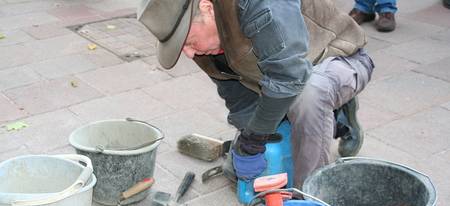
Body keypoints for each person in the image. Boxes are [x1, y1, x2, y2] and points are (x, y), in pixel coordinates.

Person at [138, 0, 374, 187]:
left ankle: (313, 198)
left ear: (207, 8)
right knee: (253, 152)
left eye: (188, 41)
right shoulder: (204, 41)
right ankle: (324, 119)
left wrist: (253, 140)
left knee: (309, 95)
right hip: (278, 75)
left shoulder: (260, 3)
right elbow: (236, 96)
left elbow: (290, 76)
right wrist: (246, 136)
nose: (188, 53)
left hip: (336, 56)